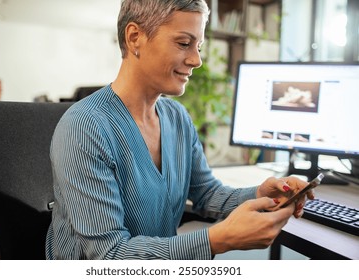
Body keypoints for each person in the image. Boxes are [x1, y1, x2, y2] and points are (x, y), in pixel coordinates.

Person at [46, 0, 312, 260]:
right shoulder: (84, 128)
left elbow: (206, 193)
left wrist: (259, 193)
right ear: (135, 37)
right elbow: (109, 255)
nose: (197, 60)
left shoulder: (177, 117)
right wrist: (216, 240)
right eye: (184, 43)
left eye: (199, 46)